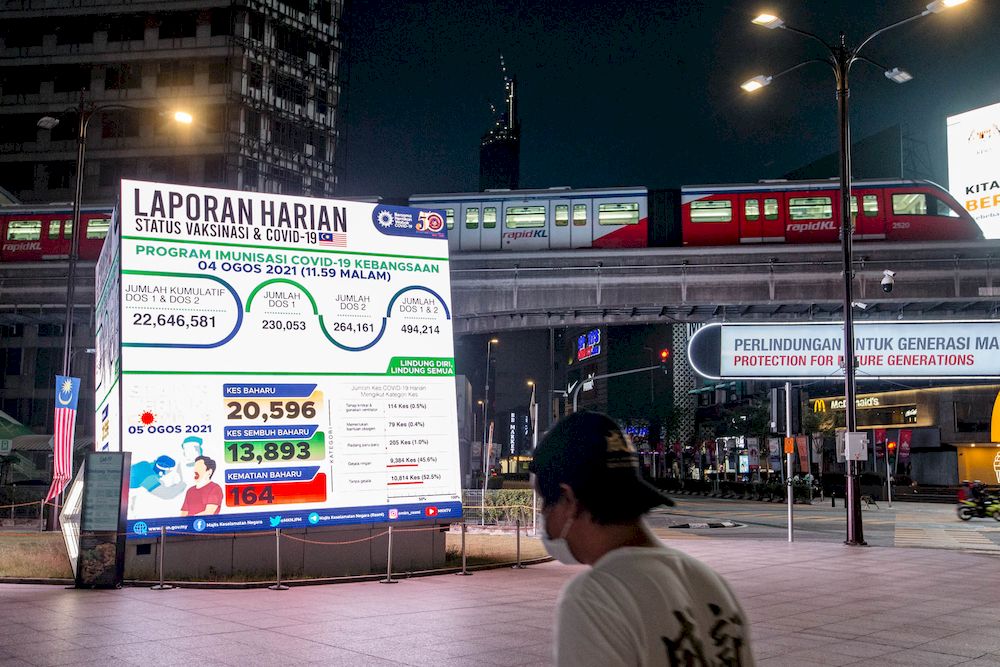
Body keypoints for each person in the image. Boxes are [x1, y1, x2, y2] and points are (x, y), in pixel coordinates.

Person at [531, 411, 754, 666]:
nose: (543, 516)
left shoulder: (595, 598)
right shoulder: (712, 583)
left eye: (544, 503)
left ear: (568, 500)